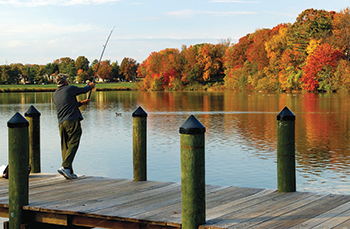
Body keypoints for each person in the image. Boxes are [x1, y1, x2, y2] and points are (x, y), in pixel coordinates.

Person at [53, 74, 95, 179]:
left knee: (65, 146)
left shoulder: (56, 94)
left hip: (61, 123)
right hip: (72, 121)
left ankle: (69, 172)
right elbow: (83, 90)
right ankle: (66, 167)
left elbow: (70, 105)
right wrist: (91, 86)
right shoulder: (70, 88)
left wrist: (82, 103)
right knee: (74, 142)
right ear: (65, 82)